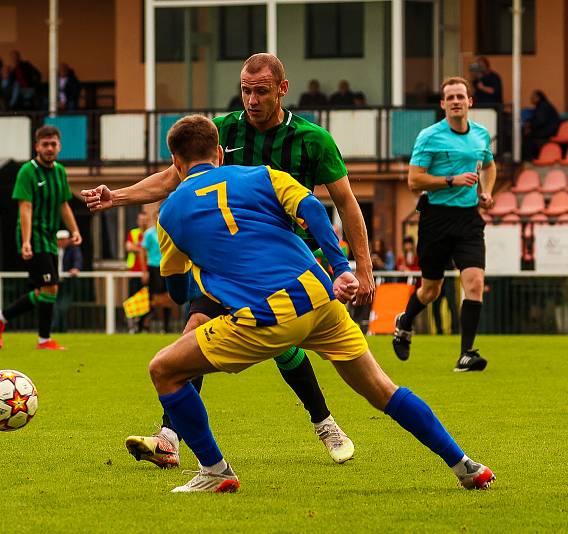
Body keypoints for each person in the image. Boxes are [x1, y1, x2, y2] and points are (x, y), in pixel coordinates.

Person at [144, 114, 495, 493]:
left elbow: (179, 293)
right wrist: (342, 267)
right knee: (382, 389)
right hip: (318, 294)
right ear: (218, 153)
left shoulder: (169, 214)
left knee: (164, 369)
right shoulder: (262, 174)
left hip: (266, 315)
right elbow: (312, 207)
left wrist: (203, 265)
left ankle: (215, 470)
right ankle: (466, 465)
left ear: (176, 162)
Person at [81, 53, 374, 467]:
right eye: (245, 90)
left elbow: (346, 203)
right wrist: (118, 197)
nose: (251, 100)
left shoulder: (313, 140)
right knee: (194, 329)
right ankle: (169, 437)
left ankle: (323, 420)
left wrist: (361, 267)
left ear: (282, 90)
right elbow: (173, 178)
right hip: (228, 262)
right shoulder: (223, 131)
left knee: (284, 347)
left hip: (289, 263)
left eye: (261, 91)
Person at [392, 77, 496, 372]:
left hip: (468, 219)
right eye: (449, 97)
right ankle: (405, 321)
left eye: (460, 96)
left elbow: (488, 165)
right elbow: (414, 181)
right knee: (431, 291)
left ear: (469, 102)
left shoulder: (480, 135)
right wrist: (451, 180)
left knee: (474, 283)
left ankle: (466, 354)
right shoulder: (429, 136)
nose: (455, 101)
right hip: (435, 219)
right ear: (443, 104)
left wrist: (486, 192)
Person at [0, 125, 82, 350]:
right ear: (36, 146)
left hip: (49, 237)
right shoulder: (27, 172)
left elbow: (63, 204)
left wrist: (75, 230)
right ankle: (43, 340)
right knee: (50, 288)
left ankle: (0, 317)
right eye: (45, 144)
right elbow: (25, 207)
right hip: (34, 237)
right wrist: (27, 241)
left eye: (53, 144)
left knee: (44, 290)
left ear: (59, 146)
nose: (49, 148)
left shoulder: (59, 171)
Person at [142, 210, 174, 333]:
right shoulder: (149, 234)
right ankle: (145, 324)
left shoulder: (168, 232)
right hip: (154, 267)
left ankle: (166, 327)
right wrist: (144, 271)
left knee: (168, 296)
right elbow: (143, 251)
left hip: (166, 267)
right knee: (154, 297)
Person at [52, 229, 83, 333]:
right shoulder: (52, 249)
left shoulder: (73, 249)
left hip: (66, 283)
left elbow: (78, 260)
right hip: (54, 283)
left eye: (63, 239)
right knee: (54, 307)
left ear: (68, 240)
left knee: (63, 307)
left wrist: (76, 268)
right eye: (59, 240)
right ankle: (54, 330)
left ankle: (63, 330)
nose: (61, 242)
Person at [125, 211, 150, 333]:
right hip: (134, 272)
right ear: (137, 221)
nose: (143, 222)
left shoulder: (151, 233)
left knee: (147, 300)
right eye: (141, 219)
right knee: (133, 299)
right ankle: (133, 326)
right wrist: (142, 250)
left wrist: (138, 248)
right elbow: (128, 247)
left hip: (148, 271)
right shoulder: (134, 233)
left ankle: (143, 326)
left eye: (145, 219)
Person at [522, 90, 560, 161]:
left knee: (527, 136)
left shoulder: (543, 106)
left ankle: (530, 159)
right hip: (547, 129)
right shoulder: (542, 105)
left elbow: (540, 121)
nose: (531, 99)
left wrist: (530, 126)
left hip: (549, 131)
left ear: (538, 97)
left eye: (533, 97)